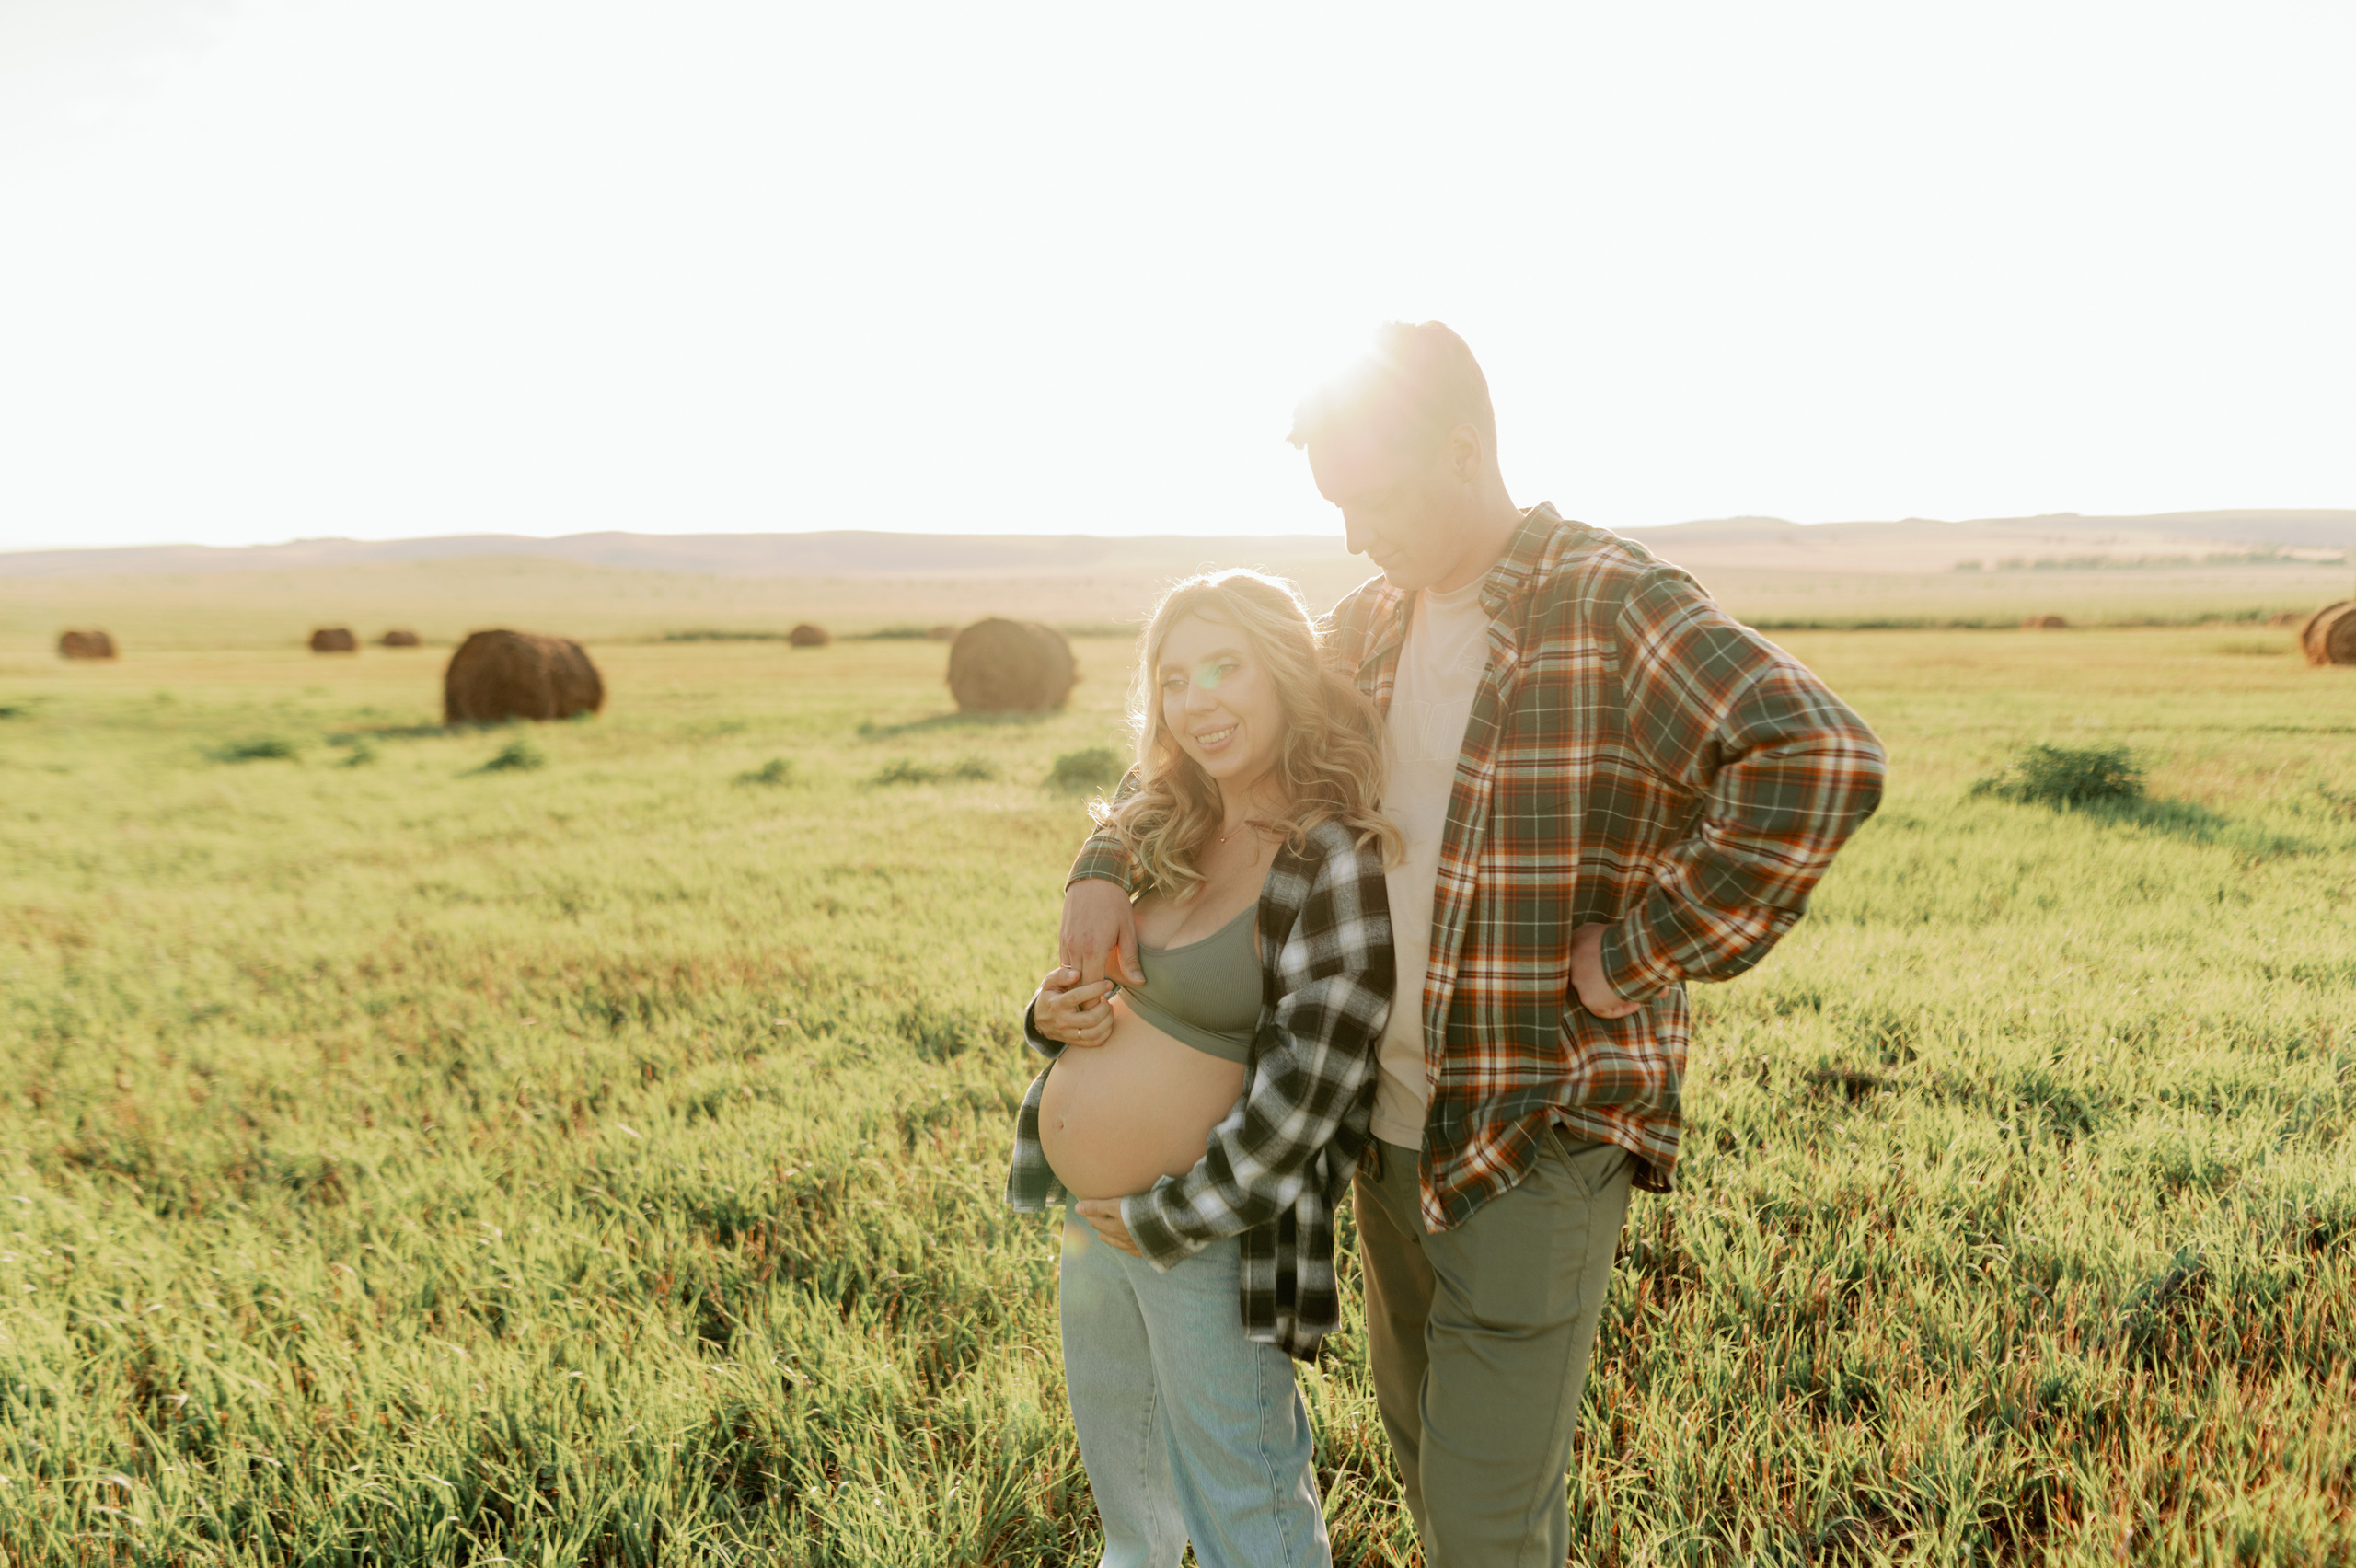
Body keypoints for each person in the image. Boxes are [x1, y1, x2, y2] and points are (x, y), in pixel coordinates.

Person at [1057, 323, 1888, 1566]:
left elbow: (1822, 755)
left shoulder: (1609, 600)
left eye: (1370, 500)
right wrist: (1107, 860)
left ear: (1462, 452)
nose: (1351, 535)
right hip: (1389, 1131)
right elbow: (1216, 734)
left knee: (1487, 1525)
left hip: (1532, 1126)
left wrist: (1636, 953)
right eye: (1334, 507)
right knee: (1426, 1463)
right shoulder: (1377, 622)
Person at [1006, 569, 1398, 1568]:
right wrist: (1052, 1014)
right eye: (1175, 678)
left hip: (1205, 1235)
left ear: (1282, 674)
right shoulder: (1168, 826)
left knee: (1248, 1509)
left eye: (1225, 667)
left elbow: (1308, 1097)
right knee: (1131, 1512)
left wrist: (1163, 1218)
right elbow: (1113, 1007)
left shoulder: (1329, 861)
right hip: (1093, 1230)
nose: (1199, 699)